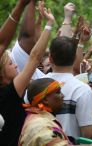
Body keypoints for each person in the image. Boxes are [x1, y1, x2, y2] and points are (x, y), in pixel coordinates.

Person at [0, 1, 55, 145]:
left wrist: (39, 23)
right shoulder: (8, 94)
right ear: (1, 73)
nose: (16, 65)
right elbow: (35, 57)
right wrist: (49, 25)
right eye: (11, 63)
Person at [43, 36, 92, 140]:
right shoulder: (82, 90)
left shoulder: (36, 84)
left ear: (50, 58)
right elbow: (89, 132)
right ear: (75, 58)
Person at [19, 78, 73, 146]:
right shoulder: (42, 126)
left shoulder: (37, 119)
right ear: (45, 100)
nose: (63, 96)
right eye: (58, 92)